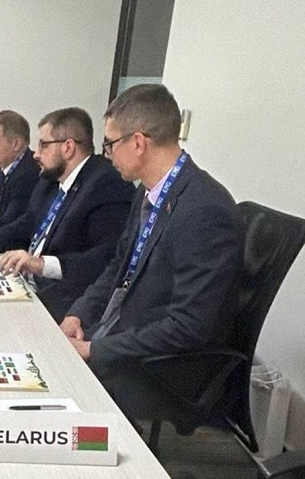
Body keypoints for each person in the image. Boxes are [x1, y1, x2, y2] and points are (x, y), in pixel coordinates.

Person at [59, 84, 242, 425]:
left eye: (110, 144)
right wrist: (78, 315)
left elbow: (188, 327)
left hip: (158, 365)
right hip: (121, 331)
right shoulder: (149, 192)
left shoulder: (205, 210)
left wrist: (95, 349)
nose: (107, 154)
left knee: (55, 393)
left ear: (138, 142)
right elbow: (119, 267)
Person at [0, 108, 134, 320]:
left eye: (43, 145)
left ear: (68, 147)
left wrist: (42, 264)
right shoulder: (50, 180)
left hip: (63, 302)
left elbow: (104, 259)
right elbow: (22, 226)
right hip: (25, 283)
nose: (36, 154)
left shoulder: (106, 184)